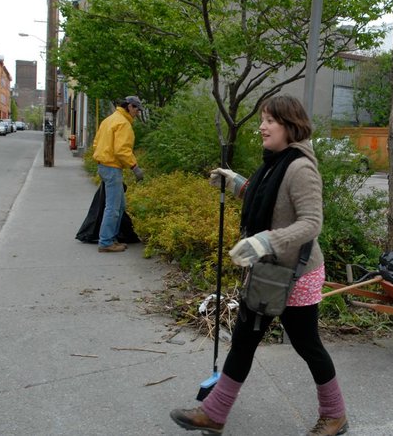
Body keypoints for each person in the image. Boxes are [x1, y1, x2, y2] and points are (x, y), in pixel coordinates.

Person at [170, 95, 348, 436]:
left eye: (270, 120)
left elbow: (312, 223)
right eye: (262, 120)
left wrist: (266, 240)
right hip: (267, 271)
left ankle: (335, 414)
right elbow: (267, 196)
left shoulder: (301, 168)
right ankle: (214, 414)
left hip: (296, 274)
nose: (262, 127)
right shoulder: (275, 162)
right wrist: (236, 182)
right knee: (244, 340)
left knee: (307, 344)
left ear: (290, 126)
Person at [91, 96, 145, 253]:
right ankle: (106, 241)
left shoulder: (109, 120)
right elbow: (122, 150)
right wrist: (135, 167)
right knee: (113, 207)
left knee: (119, 205)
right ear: (130, 106)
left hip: (104, 165)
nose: (137, 113)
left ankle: (111, 238)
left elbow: (96, 143)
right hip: (112, 167)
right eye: (136, 109)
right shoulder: (123, 123)